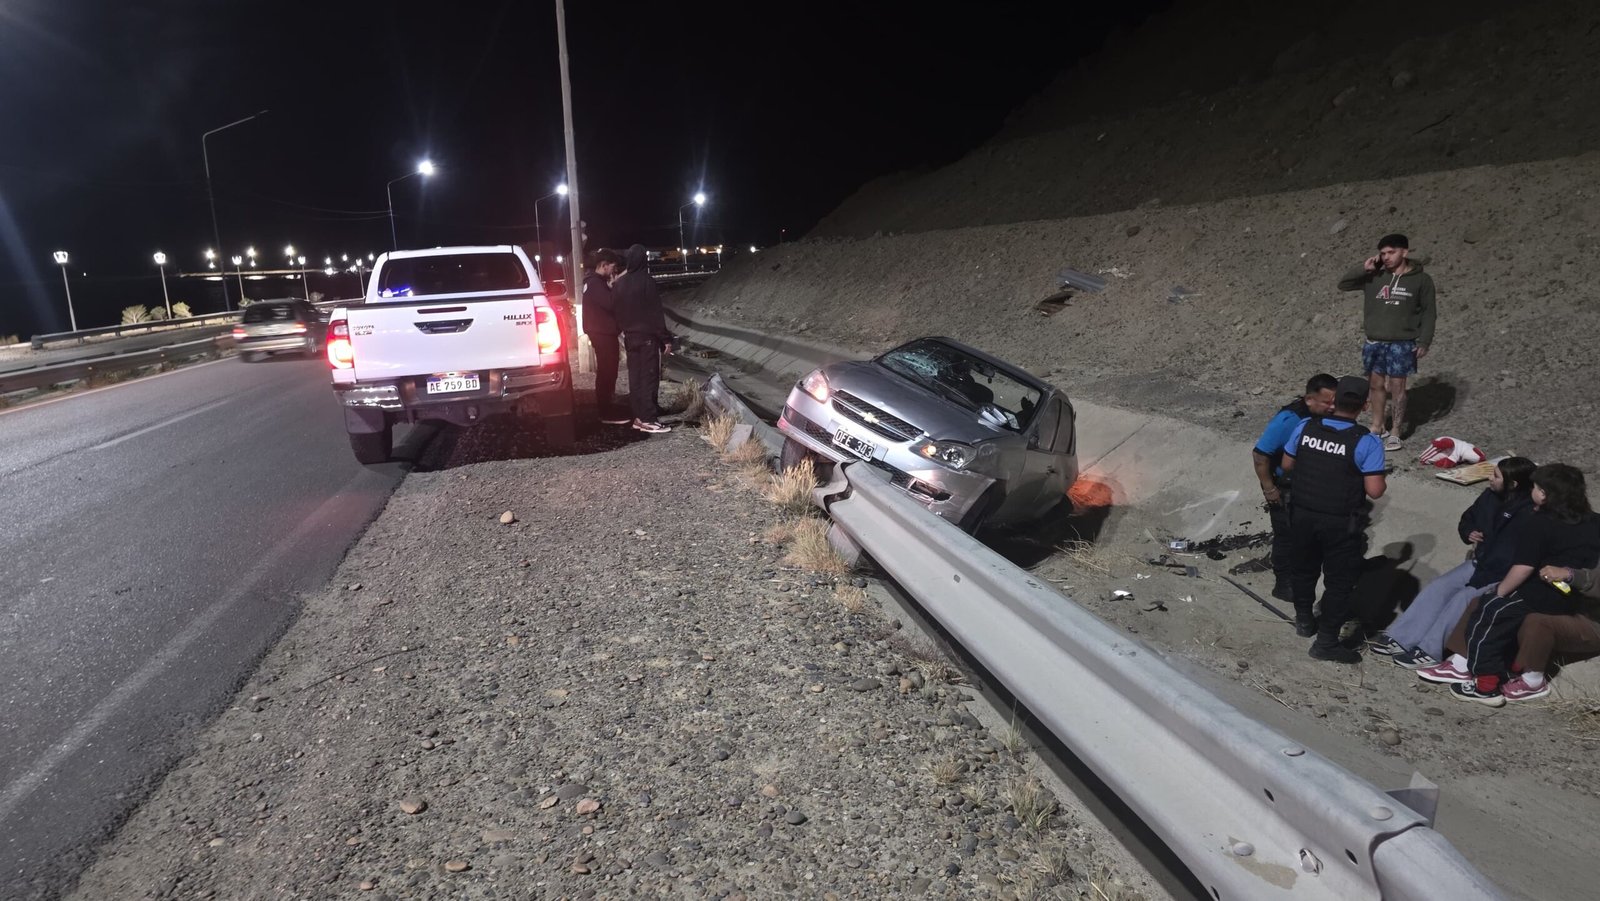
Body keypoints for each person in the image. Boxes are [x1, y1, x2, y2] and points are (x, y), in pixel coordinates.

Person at [1419, 464, 1600, 705]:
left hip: (1544, 594)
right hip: (1568, 597)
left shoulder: (1541, 524)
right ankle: (1462, 663)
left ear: (1545, 494)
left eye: (1535, 488)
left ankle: (1485, 683)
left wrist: (1500, 591)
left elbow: (1524, 567)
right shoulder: (1592, 522)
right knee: (1485, 607)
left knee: (1490, 612)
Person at [1371, 456, 1537, 669]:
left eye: (1495, 476)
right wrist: (1469, 533)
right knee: (1439, 587)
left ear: (1513, 484)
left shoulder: (1527, 513)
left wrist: (1479, 580)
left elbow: (1508, 556)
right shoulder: (1489, 496)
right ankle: (1402, 637)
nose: (1489, 478)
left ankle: (1430, 649)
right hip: (1479, 563)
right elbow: (1468, 518)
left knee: (1463, 598)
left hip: (1499, 574)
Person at [1280, 375, 1388, 662]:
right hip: (1339, 523)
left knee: (1303, 570)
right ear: (1365, 406)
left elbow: (1287, 464)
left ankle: (1304, 622)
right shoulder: (1366, 441)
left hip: (1302, 514)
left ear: (1334, 401)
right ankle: (1326, 643)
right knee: (1339, 583)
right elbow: (1375, 491)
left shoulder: (1306, 426)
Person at [1336, 233, 1437, 452]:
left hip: (1402, 342)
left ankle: (1395, 431)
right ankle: (1376, 426)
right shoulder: (1374, 277)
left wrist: (1424, 340)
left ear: (1404, 252)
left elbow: (1429, 312)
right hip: (1374, 341)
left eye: (1391, 252)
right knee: (1375, 385)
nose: (1387, 257)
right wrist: (1366, 268)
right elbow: (1343, 284)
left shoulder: (1421, 280)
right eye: (1383, 253)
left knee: (1397, 387)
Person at [1250, 373, 1338, 601]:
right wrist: (1269, 489)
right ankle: (1283, 585)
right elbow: (1260, 455)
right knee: (1286, 537)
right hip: (1285, 488)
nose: (1333, 407)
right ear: (1310, 400)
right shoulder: (1289, 420)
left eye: (1335, 402)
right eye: (1327, 402)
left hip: (1309, 487)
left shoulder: (1321, 417)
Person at [1505, 563, 1600, 701]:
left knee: (1539, 623)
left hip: (1593, 622)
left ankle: (1532, 682)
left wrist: (1570, 575)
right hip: (1571, 605)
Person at [612, 243, 673, 434]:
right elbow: (655, 314)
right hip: (647, 338)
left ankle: (638, 416)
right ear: (643, 259)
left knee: (635, 378)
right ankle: (649, 419)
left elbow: (615, 312)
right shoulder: (647, 282)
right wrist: (666, 339)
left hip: (629, 338)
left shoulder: (619, 284)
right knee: (649, 378)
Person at [581, 248, 628, 424]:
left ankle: (607, 407)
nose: (614, 271)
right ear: (604, 265)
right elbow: (610, 303)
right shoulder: (595, 283)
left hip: (600, 332)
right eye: (612, 267)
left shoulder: (593, 282)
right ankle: (605, 412)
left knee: (607, 371)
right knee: (607, 372)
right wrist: (615, 285)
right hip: (603, 334)